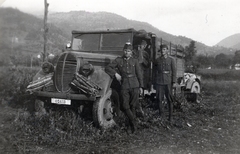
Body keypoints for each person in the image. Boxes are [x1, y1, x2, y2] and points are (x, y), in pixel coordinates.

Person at [105, 42, 143, 133]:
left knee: (132, 106)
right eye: (125, 50)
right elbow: (108, 68)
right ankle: (134, 122)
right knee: (125, 106)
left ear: (131, 52)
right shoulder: (119, 60)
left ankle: (131, 127)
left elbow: (139, 74)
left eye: (128, 51)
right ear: (123, 51)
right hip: (124, 84)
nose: (126, 52)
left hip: (134, 84)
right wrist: (115, 74)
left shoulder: (135, 61)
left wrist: (141, 87)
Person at [154, 44, 176, 122]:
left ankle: (170, 117)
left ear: (167, 50)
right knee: (159, 99)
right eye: (162, 50)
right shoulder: (157, 60)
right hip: (159, 82)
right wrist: (154, 82)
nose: (163, 51)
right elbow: (155, 71)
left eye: (164, 49)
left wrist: (173, 82)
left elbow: (174, 71)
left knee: (170, 99)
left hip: (168, 82)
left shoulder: (171, 60)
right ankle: (161, 116)